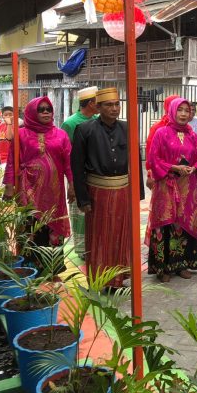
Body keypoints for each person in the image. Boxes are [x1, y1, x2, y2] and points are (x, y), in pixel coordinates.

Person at [70, 88, 144, 288]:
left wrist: (137, 194)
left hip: (123, 191)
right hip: (96, 192)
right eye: (109, 105)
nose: (114, 108)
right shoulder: (84, 130)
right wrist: (83, 199)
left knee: (121, 234)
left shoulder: (128, 128)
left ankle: (118, 279)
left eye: (117, 104)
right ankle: (99, 280)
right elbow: (77, 167)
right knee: (99, 236)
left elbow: (136, 162)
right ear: (98, 107)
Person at [3, 97, 74, 270]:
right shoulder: (21, 135)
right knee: (30, 226)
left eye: (48, 109)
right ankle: (29, 268)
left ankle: (53, 268)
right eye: (41, 109)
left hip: (54, 193)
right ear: (32, 113)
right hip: (28, 191)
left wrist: (72, 185)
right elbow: (12, 162)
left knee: (53, 225)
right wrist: (10, 187)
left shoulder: (61, 135)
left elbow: (68, 163)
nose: (45, 112)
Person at [145, 98, 197, 282]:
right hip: (166, 187)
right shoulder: (161, 133)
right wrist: (173, 168)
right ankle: (162, 268)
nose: (183, 114)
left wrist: (195, 168)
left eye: (187, 111)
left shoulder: (192, 135)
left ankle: (181, 264)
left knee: (184, 223)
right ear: (172, 111)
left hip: (187, 188)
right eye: (180, 110)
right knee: (166, 225)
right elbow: (153, 160)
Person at [61, 86, 98, 258]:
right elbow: (66, 154)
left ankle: (96, 244)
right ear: (91, 103)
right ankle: (83, 249)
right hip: (78, 175)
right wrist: (72, 182)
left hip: (97, 175)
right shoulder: (70, 123)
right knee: (79, 213)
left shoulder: (99, 120)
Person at [145, 94, 180, 188]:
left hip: (182, 176)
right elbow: (150, 152)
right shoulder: (158, 127)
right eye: (176, 106)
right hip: (162, 174)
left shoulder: (185, 128)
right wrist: (150, 174)